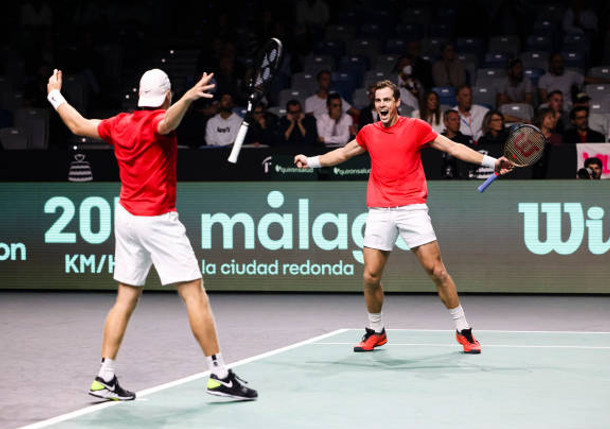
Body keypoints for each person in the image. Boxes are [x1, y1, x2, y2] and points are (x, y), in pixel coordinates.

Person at [46, 68, 257, 401]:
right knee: (195, 294)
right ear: (167, 95)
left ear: (140, 95)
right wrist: (188, 97)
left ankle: (104, 376)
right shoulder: (158, 124)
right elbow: (166, 123)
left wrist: (54, 94)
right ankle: (219, 374)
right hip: (158, 220)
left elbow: (76, 124)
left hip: (127, 217)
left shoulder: (119, 123)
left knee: (126, 298)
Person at [293, 80, 513, 354]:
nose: (382, 105)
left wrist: (493, 162)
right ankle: (376, 330)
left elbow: (452, 147)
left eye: (387, 100)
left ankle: (464, 330)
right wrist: (310, 161)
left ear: (398, 102)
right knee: (370, 276)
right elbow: (343, 153)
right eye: (377, 101)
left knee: (437, 271)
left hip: (411, 208)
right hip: (379, 210)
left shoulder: (416, 128)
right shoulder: (368, 132)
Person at [441, 109, 475, 179]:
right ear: (445, 122)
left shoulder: (466, 140)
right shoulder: (439, 140)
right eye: (454, 120)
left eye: (458, 119)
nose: (457, 122)